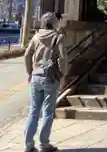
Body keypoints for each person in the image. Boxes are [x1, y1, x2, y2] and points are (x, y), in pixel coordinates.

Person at [23, 12, 67, 152]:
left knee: (33, 111)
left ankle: (28, 145)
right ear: (54, 23)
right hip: (50, 77)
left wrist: (30, 71)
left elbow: (27, 54)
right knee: (48, 112)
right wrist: (62, 74)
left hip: (36, 77)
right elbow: (63, 58)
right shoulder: (58, 37)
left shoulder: (36, 37)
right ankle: (44, 144)